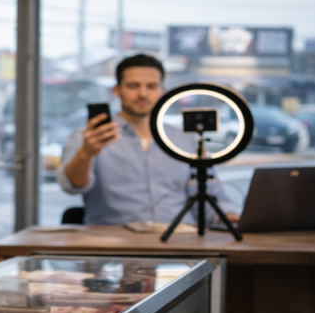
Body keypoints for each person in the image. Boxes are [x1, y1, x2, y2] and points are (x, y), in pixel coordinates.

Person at [57, 54, 237, 225]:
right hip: (114, 246)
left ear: (162, 90)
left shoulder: (185, 139)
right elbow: (72, 186)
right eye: (133, 86)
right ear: (117, 90)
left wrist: (230, 216)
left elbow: (209, 196)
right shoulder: (87, 138)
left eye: (151, 86)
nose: (143, 93)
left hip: (179, 243)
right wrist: (86, 153)